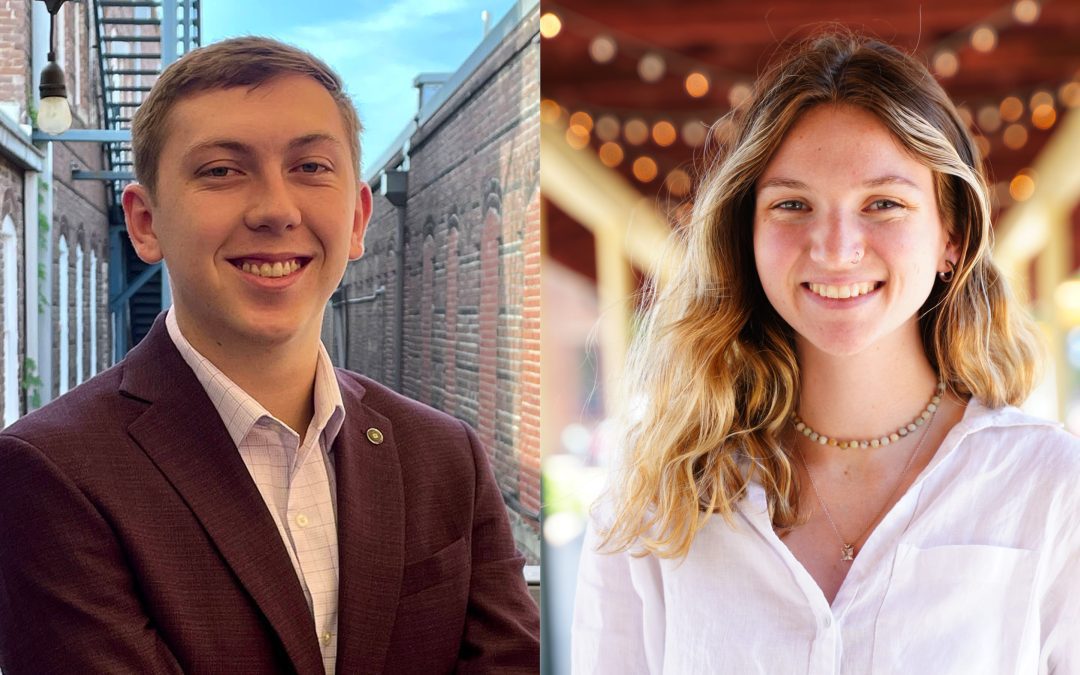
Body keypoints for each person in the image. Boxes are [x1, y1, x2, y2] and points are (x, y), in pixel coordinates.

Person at [0, 37, 539, 674]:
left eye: (311, 167)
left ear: (359, 218)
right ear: (146, 223)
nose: (277, 210)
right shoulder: (51, 475)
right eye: (222, 171)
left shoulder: (446, 457)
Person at [572, 31, 1079, 674]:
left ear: (952, 236)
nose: (836, 248)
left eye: (884, 204)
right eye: (792, 204)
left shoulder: (1054, 486)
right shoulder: (654, 497)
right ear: (746, 234)